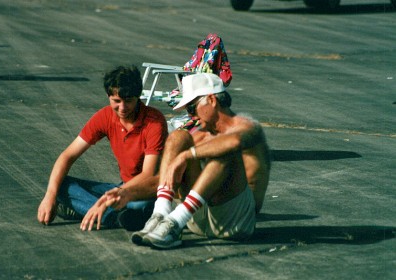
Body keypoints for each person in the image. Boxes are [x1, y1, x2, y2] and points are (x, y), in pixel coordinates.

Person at [124, 72, 271, 249]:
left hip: (235, 223)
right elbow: (169, 175)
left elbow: (235, 142)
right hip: (196, 220)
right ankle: (161, 217)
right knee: (178, 137)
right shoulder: (200, 134)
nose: (191, 116)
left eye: (192, 108)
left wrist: (185, 156)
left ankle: (175, 220)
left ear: (211, 100)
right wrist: (125, 193)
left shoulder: (248, 127)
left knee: (225, 150)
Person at [37, 65, 168, 231]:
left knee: (140, 204)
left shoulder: (154, 121)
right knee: (59, 185)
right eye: (116, 101)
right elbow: (67, 156)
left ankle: (95, 211)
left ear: (138, 97)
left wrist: (106, 200)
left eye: (128, 101)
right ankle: (115, 216)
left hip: (146, 190)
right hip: (123, 186)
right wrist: (49, 196)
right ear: (108, 96)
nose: (122, 108)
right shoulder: (105, 116)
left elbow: (148, 175)